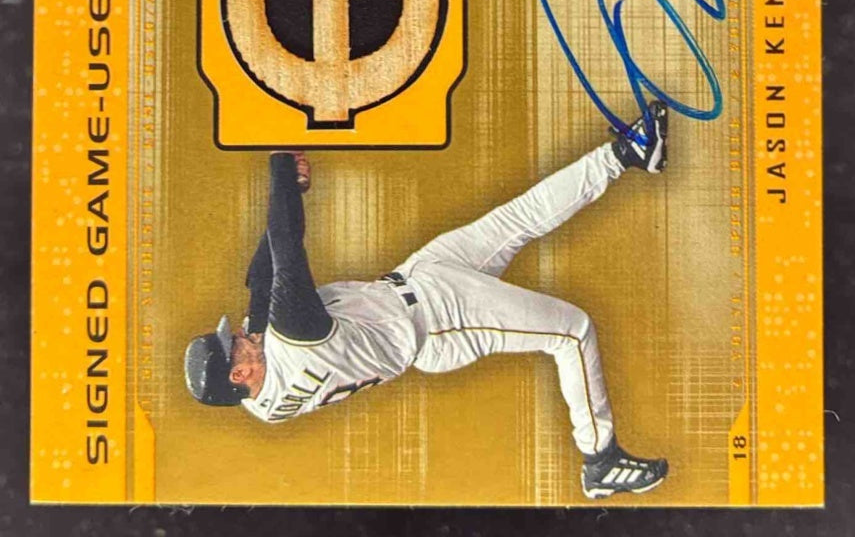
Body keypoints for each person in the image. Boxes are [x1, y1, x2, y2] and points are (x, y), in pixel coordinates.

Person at [185, 102, 670, 499]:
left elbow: (263, 275)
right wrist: (279, 162)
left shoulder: (261, 401)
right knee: (572, 331)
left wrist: (293, 187)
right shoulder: (293, 343)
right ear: (239, 374)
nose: (241, 335)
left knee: (518, 217)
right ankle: (600, 458)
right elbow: (286, 249)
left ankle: (625, 154)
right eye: (235, 346)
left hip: (419, 279)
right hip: (441, 321)